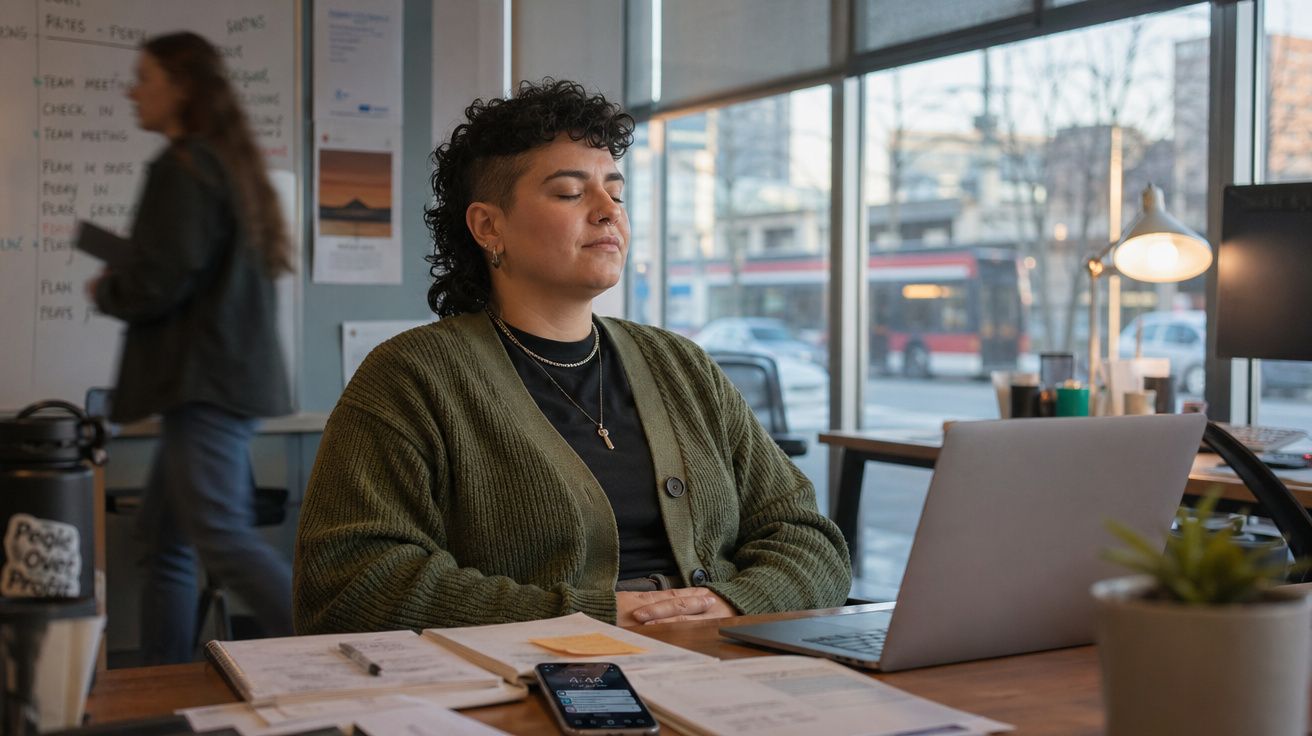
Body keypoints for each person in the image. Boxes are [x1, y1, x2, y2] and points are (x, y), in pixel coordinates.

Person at [293, 79, 850, 633]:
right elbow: (350, 582)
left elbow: (808, 536)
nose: (609, 211)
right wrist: (592, 618)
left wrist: (734, 602)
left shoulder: (682, 365)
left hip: (723, 663)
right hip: (539, 680)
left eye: (616, 192)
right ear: (489, 226)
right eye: (569, 192)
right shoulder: (412, 377)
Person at [86, 32, 294, 664]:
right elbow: (191, 268)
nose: (132, 90)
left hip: (202, 384)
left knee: (222, 538)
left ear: (181, 88)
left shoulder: (182, 167)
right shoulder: (224, 165)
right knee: (164, 542)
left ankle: (344, 644)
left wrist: (109, 287)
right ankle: (164, 679)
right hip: (216, 382)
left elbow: (163, 277)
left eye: (143, 77)